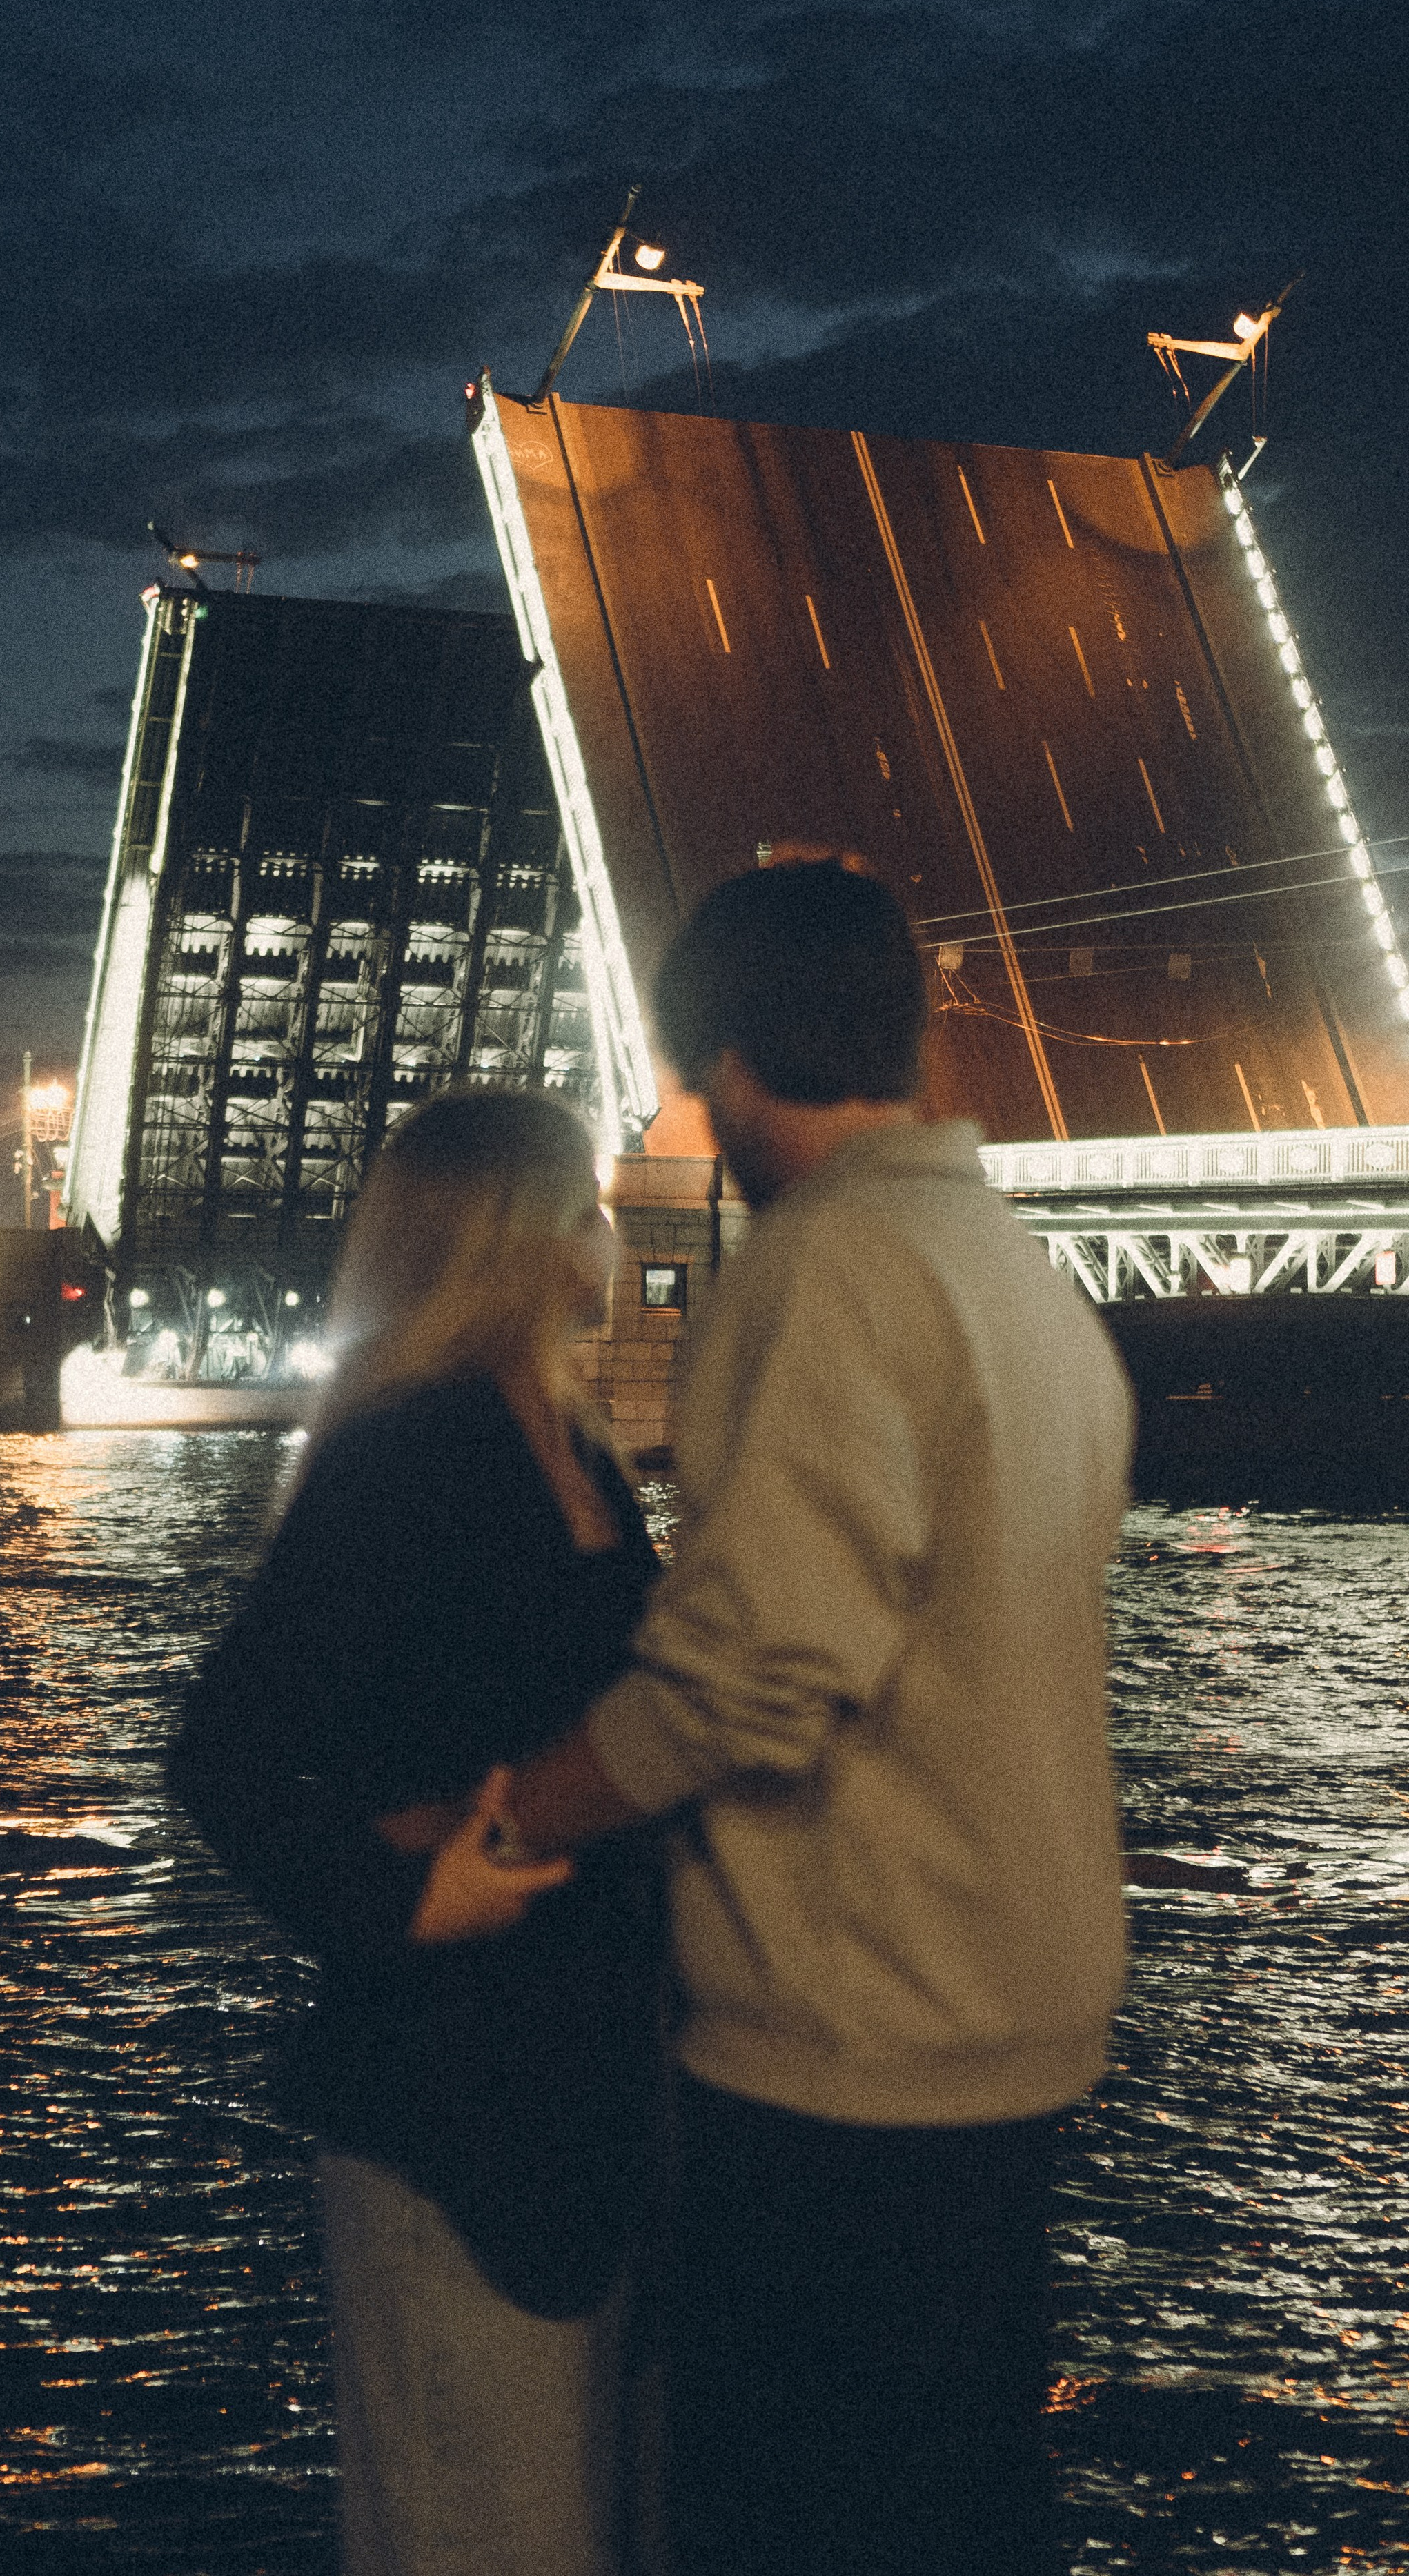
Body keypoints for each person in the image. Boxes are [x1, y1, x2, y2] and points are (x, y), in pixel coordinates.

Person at [477, 861, 1136, 2575]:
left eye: (702, 1077)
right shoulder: (1018, 1277)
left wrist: (501, 1823)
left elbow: (752, 1674)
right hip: (1017, 2026)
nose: (704, 1114)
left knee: (793, 2520)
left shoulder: (826, 1268)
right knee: (967, 2515)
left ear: (735, 1061)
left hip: (847, 2047)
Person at [169, 1088, 665, 2576]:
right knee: (481, 2533)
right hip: (449, 2099)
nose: (609, 1221)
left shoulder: (569, 1444)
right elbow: (226, 1753)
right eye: (583, 1193)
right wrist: (400, 1902)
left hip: (586, 2088)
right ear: (514, 1231)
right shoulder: (414, 1452)